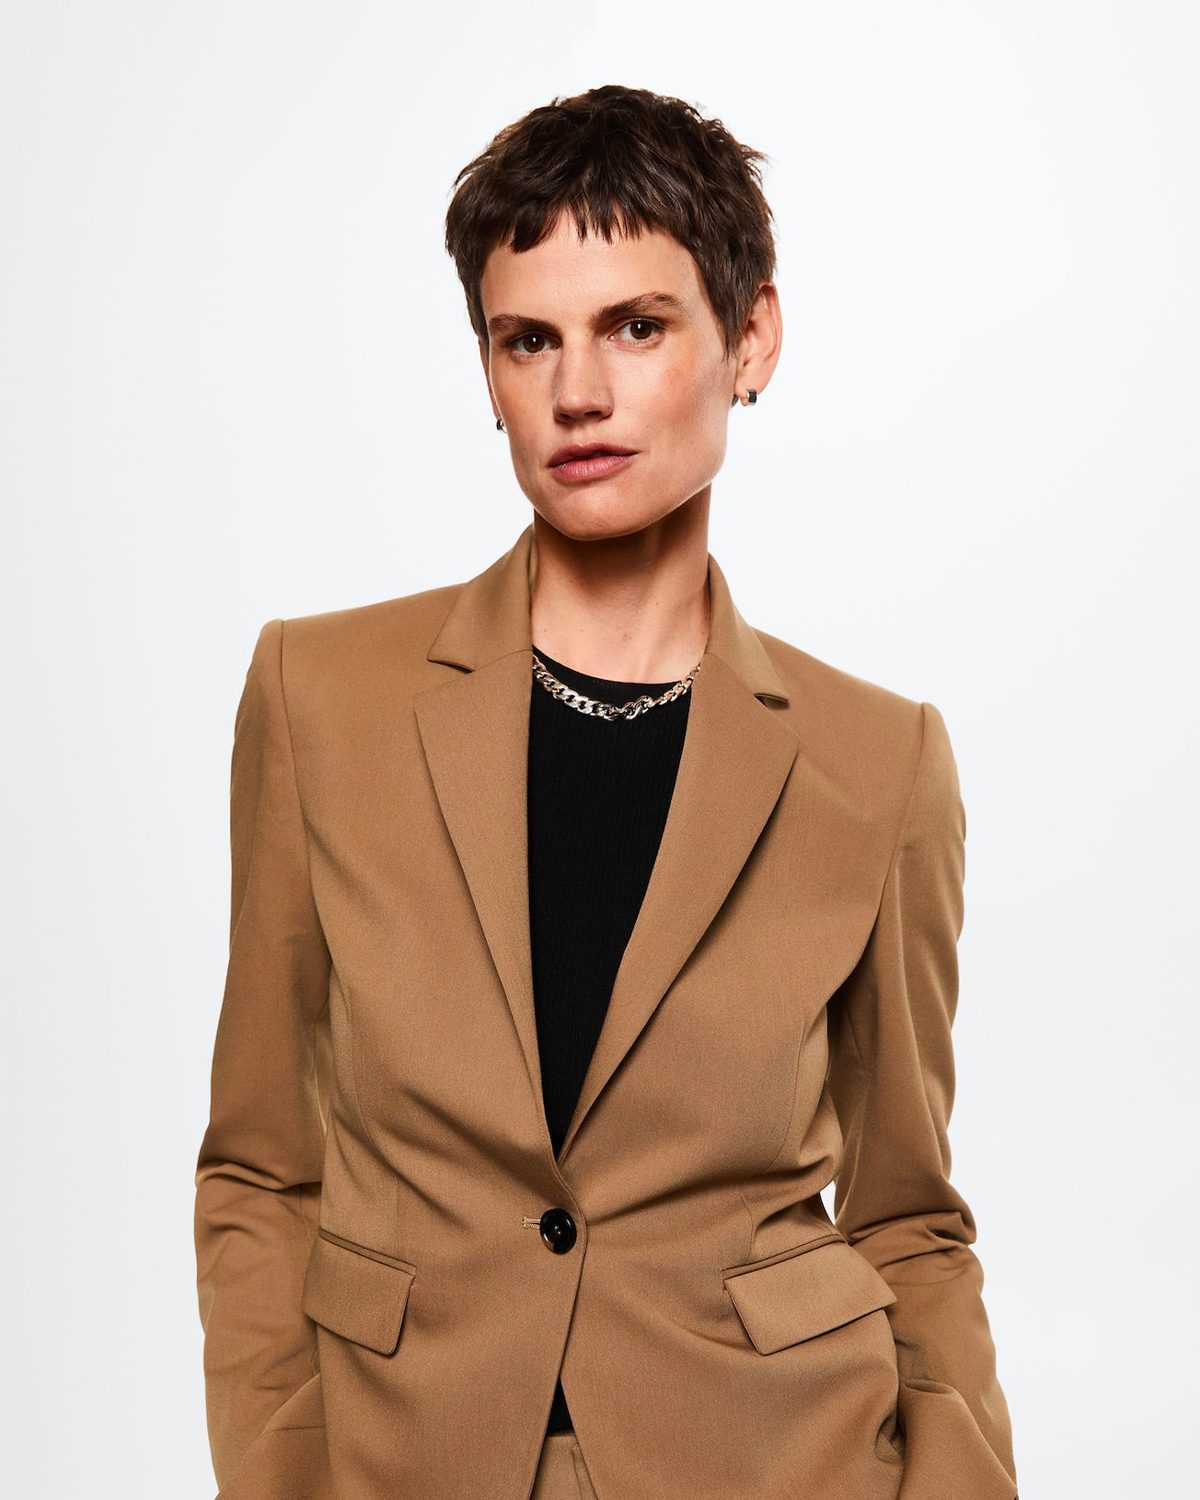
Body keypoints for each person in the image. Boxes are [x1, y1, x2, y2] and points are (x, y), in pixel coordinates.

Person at [194, 84, 1019, 1500]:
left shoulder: (879, 764)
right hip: (410, 1458)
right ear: (490, 372)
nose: (578, 392)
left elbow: (908, 1219)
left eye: (637, 327)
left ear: (750, 339)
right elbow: (263, 1172)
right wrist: (284, 1469)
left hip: (781, 1461)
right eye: (530, 339)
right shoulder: (319, 700)